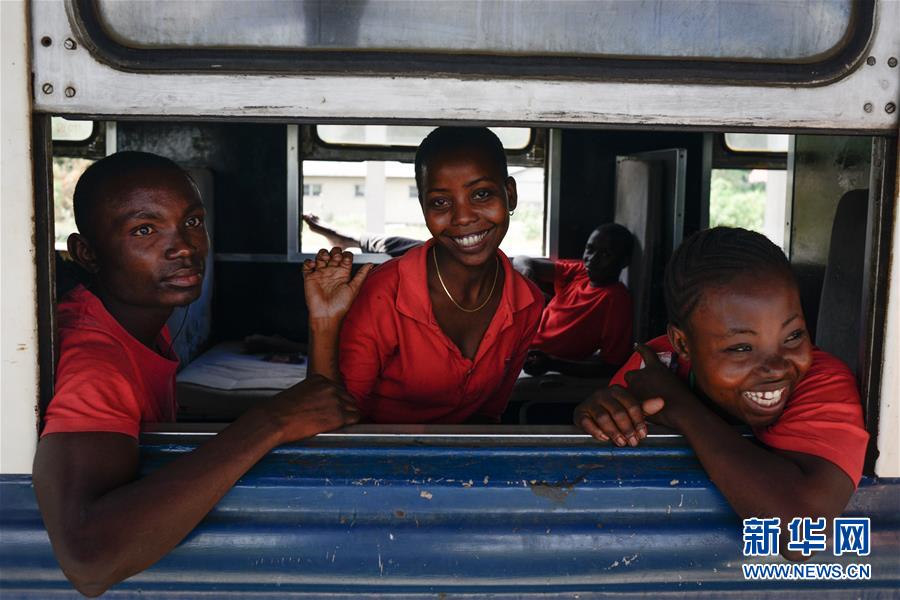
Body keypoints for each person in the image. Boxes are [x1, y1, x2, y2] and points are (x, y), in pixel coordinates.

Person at [32, 152, 367, 597]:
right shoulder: (95, 364)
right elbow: (88, 560)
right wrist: (270, 422)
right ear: (87, 253)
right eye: (145, 230)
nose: (184, 247)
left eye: (192, 222)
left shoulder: (135, 325)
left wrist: (322, 326)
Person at [573, 227, 869, 560]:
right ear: (682, 344)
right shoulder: (655, 368)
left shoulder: (822, 379)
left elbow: (800, 533)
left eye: (792, 336)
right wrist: (598, 412)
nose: (776, 366)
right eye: (742, 347)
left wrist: (681, 408)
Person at [338, 127, 545, 424]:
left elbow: (489, 414)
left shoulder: (528, 302)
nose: (463, 217)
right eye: (440, 202)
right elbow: (342, 416)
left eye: (482, 194)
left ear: (509, 195)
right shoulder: (385, 292)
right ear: (423, 208)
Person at [513, 223, 634, 378]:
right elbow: (521, 259)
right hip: (517, 337)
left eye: (605, 254)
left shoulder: (616, 300)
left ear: (624, 262)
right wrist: (526, 272)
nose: (592, 259)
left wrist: (552, 363)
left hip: (529, 354)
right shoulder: (581, 272)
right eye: (590, 249)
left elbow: (612, 366)